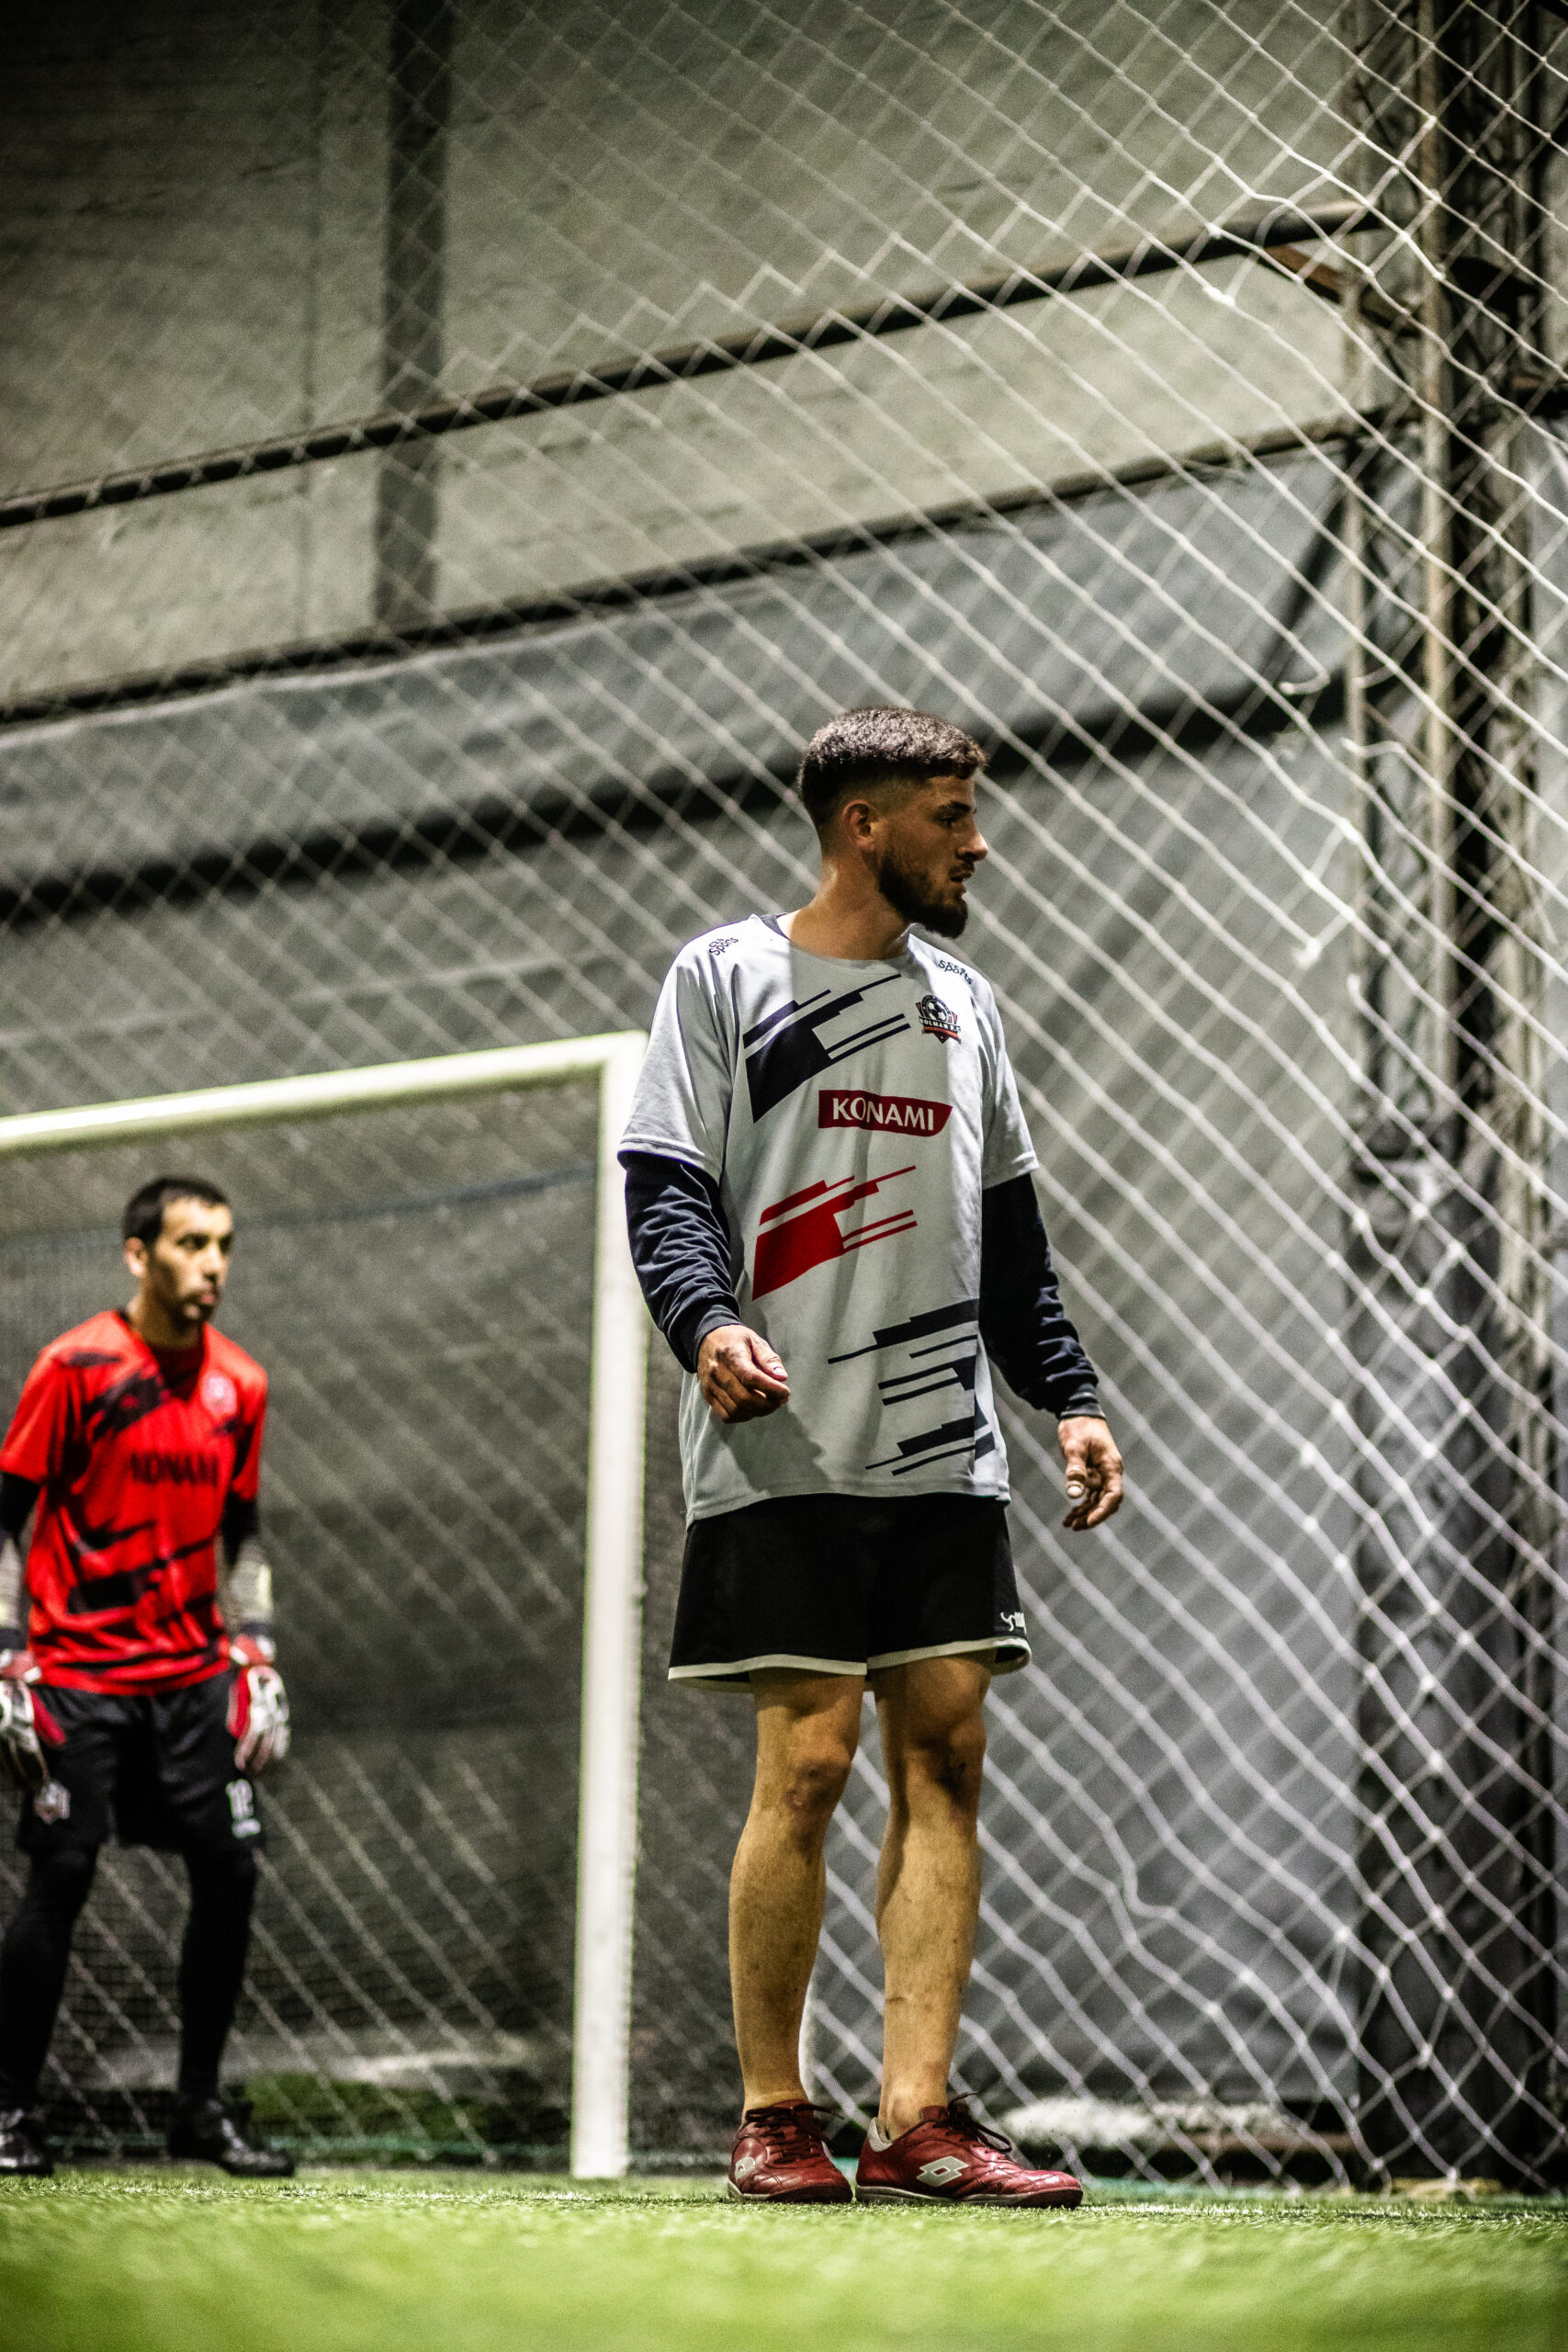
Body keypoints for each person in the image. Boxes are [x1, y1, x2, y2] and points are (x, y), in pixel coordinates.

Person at [621, 707, 1123, 2209]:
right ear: (864, 825)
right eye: (950, 816)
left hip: (941, 1452)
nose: (978, 844)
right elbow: (665, 1187)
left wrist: (1068, 1396)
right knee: (809, 1764)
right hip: (783, 1441)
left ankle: (919, 2121)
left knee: (946, 1755)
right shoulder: (723, 977)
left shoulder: (965, 1006)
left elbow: (1009, 1240)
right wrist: (706, 1323)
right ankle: (773, 2115)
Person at [0, 1175, 292, 2179]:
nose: (212, 1263)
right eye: (190, 1243)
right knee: (63, 1870)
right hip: (78, 1673)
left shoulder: (239, 1383)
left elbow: (243, 1534)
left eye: (224, 1244)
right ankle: (8, 2112)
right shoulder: (74, 1366)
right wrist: (6, 1654)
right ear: (138, 1254)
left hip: (191, 1678)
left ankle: (198, 2111)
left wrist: (257, 1649)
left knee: (232, 1870)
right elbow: (6, 1521)